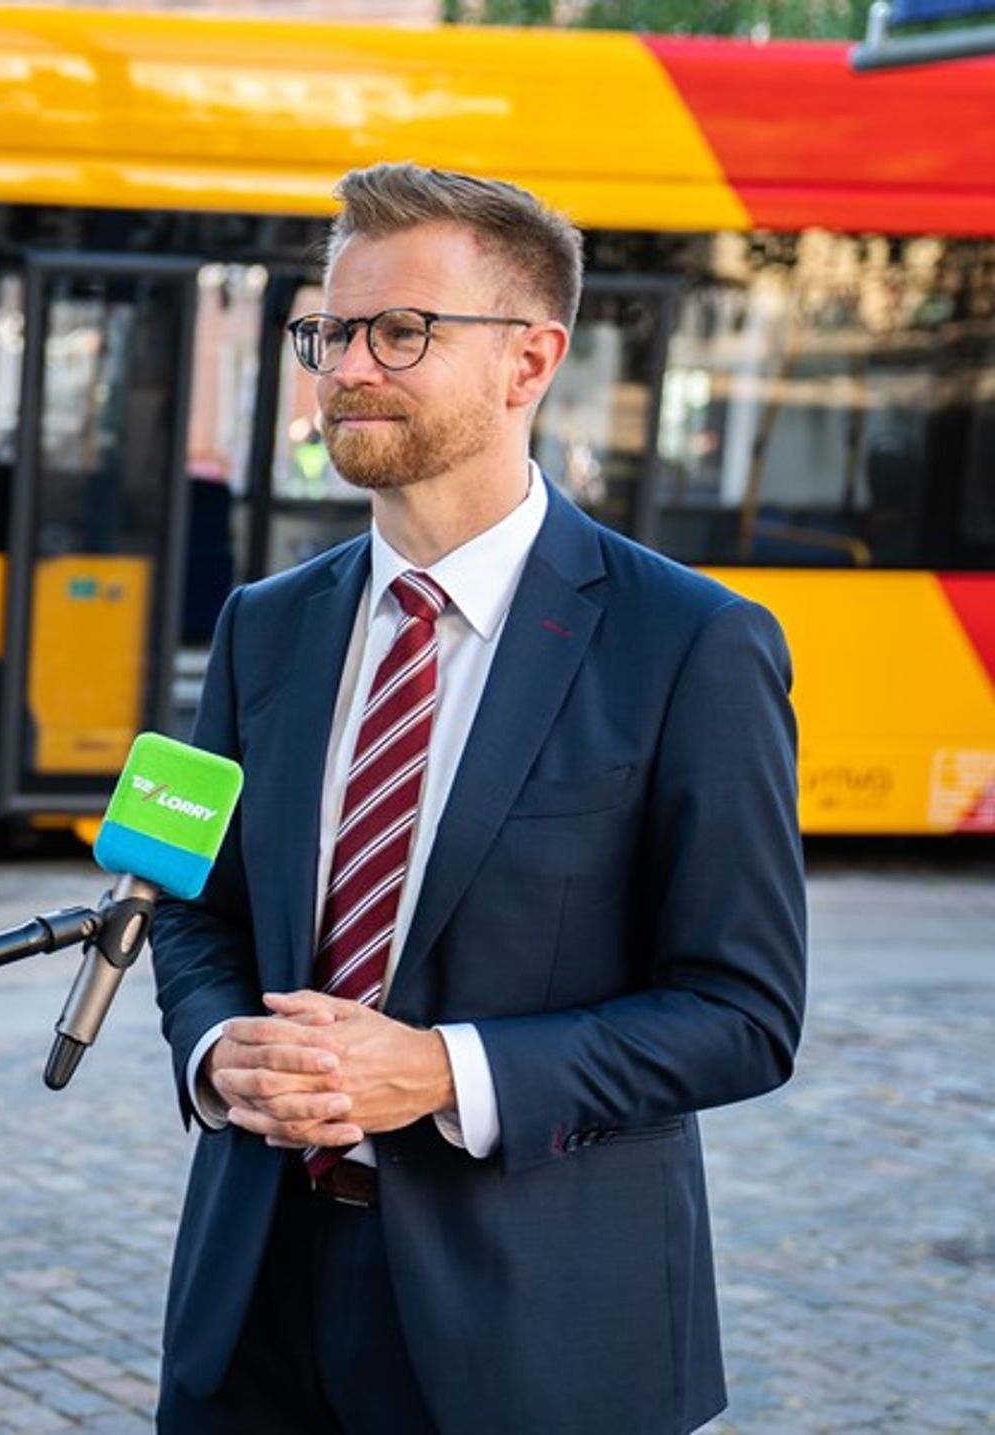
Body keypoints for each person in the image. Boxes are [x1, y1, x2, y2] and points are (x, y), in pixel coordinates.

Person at [147, 162, 806, 1434]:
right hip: (252, 1301)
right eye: (329, 332)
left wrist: (441, 1072)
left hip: (535, 1327)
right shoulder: (264, 627)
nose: (345, 368)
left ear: (528, 362)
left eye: (400, 332)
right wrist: (219, 1049)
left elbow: (742, 1013)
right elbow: (195, 911)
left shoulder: (689, 645)